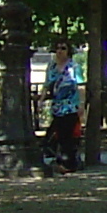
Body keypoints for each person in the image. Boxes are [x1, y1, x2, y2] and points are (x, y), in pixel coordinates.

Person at [44, 43, 85, 172]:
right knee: (57, 135)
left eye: (63, 48)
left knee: (69, 135)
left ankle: (69, 164)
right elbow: (47, 85)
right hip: (57, 106)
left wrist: (82, 104)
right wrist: (40, 100)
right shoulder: (52, 67)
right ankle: (62, 161)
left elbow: (81, 86)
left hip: (71, 106)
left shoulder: (74, 67)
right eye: (57, 48)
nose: (59, 51)